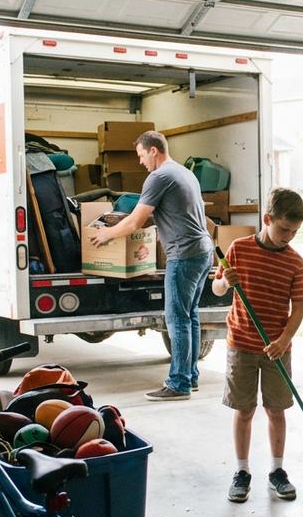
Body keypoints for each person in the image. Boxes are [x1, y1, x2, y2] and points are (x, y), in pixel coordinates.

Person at [88, 130, 212, 402]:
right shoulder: (183, 172)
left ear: (153, 150)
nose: (141, 162)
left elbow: (134, 222)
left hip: (184, 254)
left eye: (142, 155)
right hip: (204, 251)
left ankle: (179, 383)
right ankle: (189, 377)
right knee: (189, 315)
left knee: (176, 318)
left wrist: (104, 235)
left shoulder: (159, 176)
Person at [213, 188, 303, 503]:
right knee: (244, 410)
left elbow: (298, 309)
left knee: (276, 409)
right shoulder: (239, 249)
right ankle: (242, 472)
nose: (289, 237)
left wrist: (284, 341)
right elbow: (216, 288)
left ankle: (277, 472)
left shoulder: (295, 262)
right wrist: (226, 281)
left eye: (295, 231)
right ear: (267, 219)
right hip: (241, 344)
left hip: (277, 349)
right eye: (284, 229)